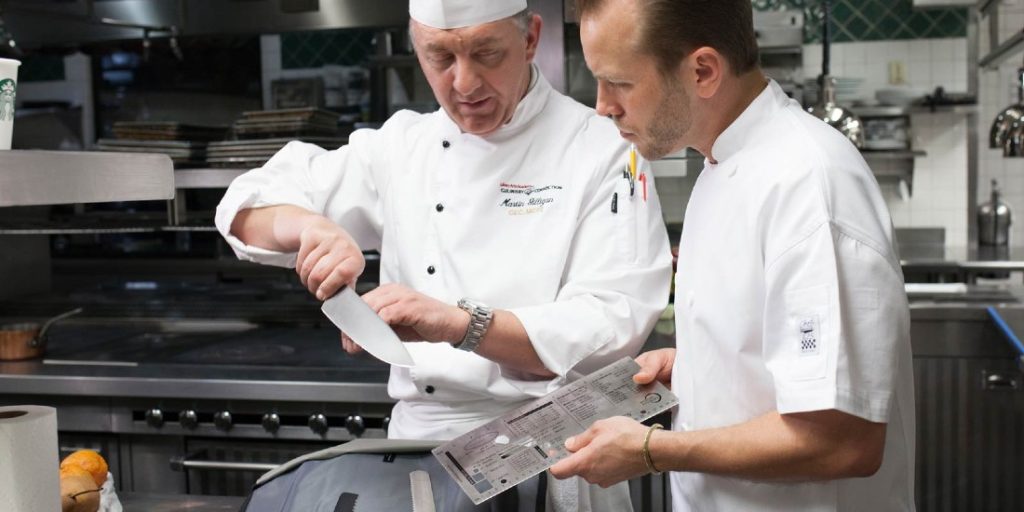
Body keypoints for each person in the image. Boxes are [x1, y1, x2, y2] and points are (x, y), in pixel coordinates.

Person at [215, 0, 672, 509]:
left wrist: (458, 324)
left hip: (555, 450)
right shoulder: (402, 146)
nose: (464, 83)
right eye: (440, 58)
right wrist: (310, 227)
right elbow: (246, 204)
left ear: (529, 38)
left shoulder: (605, 150)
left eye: (486, 53)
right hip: (418, 458)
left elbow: (610, 323)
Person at [549, 0, 916, 510]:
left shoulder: (808, 185)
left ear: (703, 71)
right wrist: (699, 367)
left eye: (621, 83)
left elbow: (843, 440)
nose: (602, 105)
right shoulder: (720, 164)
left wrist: (653, 451)